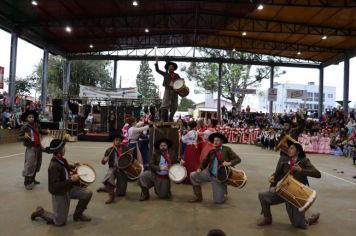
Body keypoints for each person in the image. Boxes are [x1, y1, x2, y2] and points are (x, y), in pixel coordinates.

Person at [257, 140, 321, 229]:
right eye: (289, 148)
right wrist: (272, 177)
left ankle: (312, 218)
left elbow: (317, 174)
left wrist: (301, 170)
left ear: (298, 151)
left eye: (292, 148)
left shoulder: (303, 161)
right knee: (263, 196)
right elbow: (277, 174)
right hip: (283, 189)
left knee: (299, 224)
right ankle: (267, 218)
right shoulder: (284, 159)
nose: (289, 150)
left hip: (295, 193)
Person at [30, 139, 92, 226]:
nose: (65, 149)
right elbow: (55, 186)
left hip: (68, 188)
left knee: (87, 193)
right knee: (60, 222)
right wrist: (71, 180)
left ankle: (78, 215)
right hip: (60, 193)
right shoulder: (53, 166)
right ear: (59, 150)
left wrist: (74, 166)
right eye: (63, 147)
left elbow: (65, 169)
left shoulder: (61, 160)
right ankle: (41, 212)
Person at [189, 133, 241, 204]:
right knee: (193, 175)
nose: (215, 142)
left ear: (221, 141)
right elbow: (205, 162)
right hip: (209, 173)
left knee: (218, 201)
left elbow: (238, 159)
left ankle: (224, 191)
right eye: (214, 140)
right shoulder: (212, 151)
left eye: (217, 140)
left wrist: (229, 163)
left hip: (219, 178)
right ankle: (198, 197)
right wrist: (200, 168)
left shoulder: (227, 149)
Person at [18, 110, 49, 190]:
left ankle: (33, 179)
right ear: (26, 118)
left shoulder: (37, 125)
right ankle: (27, 182)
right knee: (30, 165)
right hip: (31, 148)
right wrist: (24, 137)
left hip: (38, 147)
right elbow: (18, 138)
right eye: (29, 117)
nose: (31, 118)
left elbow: (41, 131)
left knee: (37, 164)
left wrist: (46, 131)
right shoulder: (25, 127)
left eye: (32, 117)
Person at [97, 134, 128, 204]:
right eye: (116, 140)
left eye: (119, 140)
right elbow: (103, 163)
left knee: (121, 193)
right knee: (110, 175)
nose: (118, 141)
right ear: (113, 141)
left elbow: (129, 158)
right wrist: (104, 160)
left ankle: (105, 188)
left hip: (122, 169)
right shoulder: (109, 150)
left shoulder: (124, 148)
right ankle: (111, 195)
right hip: (113, 167)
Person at [154, 57, 180, 122]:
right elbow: (157, 70)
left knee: (175, 106)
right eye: (169, 67)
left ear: (173, 68)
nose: (171, 67)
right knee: (165, 104)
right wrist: (157, 62)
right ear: (168, 68)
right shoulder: (165, 74)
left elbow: (180, 83)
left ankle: (171, 118)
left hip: (175, 91)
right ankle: (162, 119)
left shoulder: (177, 75)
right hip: (167, 90)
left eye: (172, 67)